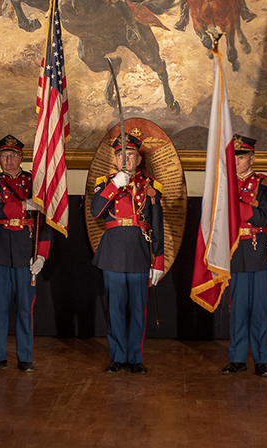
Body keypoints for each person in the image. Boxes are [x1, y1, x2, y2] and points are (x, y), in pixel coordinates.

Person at [89, 131, 164, 374]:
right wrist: (114, 186)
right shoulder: (105, 183)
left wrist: (158, 261)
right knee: (115, 309)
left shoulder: (150, 185)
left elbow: (157, 225)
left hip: (139, 251)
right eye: (121, 155)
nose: (126, 159)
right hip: (112, 252)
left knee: (138, 310)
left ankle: (135, 358)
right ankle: (118, 357)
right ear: (115, 159)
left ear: (139, 160)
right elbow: (96, 212)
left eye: (130, 155)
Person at [0, 135, 51, 372]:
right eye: (3, 156)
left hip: (26, 250)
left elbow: (45, 223)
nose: (8, 160)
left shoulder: (34, 184)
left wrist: (42, 254)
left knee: (25, 309)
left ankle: (25, 357)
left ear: (21, 158)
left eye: (12, 156)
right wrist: (24, 205)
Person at [222, 135, 267, 377]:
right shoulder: (224, 186)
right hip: (235, 251)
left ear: (252, 159)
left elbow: (264, 217)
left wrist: (235, 206)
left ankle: (261, 360)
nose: (237, 162)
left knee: (259, 309)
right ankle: (236, 358)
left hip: (258, 251)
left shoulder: (265, 184)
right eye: (234, 158)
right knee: (237, 308)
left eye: (242, 158)